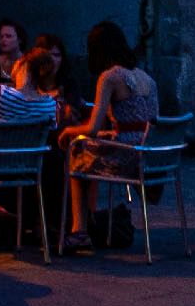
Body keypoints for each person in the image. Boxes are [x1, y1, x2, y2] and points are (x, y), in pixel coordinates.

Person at [61, 22, 159, 252]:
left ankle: (79, 230)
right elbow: (149, 120)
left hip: (127, 157)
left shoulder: (110, 77)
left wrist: (69, 131)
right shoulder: (147, 78)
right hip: (150, 155)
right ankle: (90, 220)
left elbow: (93, 127)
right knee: (89, 152)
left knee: (77, 155)